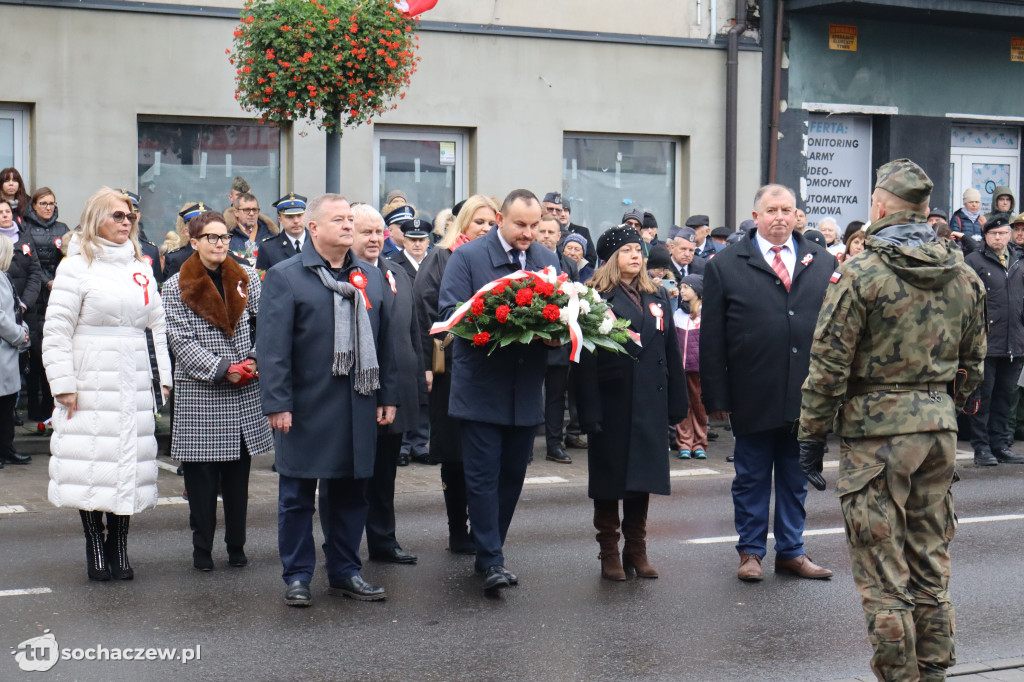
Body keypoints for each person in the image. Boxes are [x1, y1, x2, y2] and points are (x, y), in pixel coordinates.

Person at [797, 158, 987, 682]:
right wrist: (941, 404)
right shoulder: (965, 274)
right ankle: (933, 673)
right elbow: (973, 366)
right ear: (924, 212)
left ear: (879, 209)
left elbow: (829, 364)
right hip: (937, 432)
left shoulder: (861, 273)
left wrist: (811, 436)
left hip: (876, 436)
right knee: (930, 564)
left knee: (883, 574)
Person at [257, 193, 397, 607]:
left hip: (358, 404)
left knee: (351, 495)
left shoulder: (369, 276)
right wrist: (277, 403)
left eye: (350, 218)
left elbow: (386, 342)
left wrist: (388, 395)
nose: (348, 225)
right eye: (339, 219)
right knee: (297, 497)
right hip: (305, 407)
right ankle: (298, 576)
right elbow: (273, 348)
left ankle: (345, 570)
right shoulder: (285, 276)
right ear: (313, 228)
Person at [700, 183, 836, 583]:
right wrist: (716, 395)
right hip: (752, 393)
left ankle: (792, 550)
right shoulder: (725, 264)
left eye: (787, 210)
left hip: (806, 394)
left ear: (797, 215)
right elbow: (712, 338)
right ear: (756, 216)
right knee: (751, 478)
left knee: (796, 477)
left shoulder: (823, 261)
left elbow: (835, 330)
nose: (780, 217)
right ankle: (751, 552)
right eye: (772, 210)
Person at [42, 187, 172, 581]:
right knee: (91, 461)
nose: (126, 221)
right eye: (117, 215)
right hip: (90, 378)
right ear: (96, 218)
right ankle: (94, 541)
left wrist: (163, 378)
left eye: (130, 216)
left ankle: (118, 540)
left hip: (134, 379)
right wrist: (63, 383)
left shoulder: (140, 267)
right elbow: (56, 330)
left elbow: (157, 325)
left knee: (128, 461)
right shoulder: (75, 266)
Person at [437, 188, 560, 592]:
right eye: (520, 224)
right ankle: (490, 560)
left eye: (534, 225)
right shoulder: (468, 257)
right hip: (481, 389)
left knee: (512, 477)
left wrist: (556, 334)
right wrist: (502, 323)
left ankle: (490, 545)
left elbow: (563, 314)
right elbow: (449, 314)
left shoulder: (547, 259)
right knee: (482, 477)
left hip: (524, 390)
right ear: (501, 220)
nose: (528, 233)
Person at [162, 210, 272, 571]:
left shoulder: (246, 277)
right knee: (202, 483)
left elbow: (265, 324)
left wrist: (253, 359)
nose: (220, 243)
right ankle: (202, 548)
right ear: (194, 242)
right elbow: (181, 341)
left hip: (243, 391)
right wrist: (223, 369)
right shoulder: (175, 285)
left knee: (238, 481)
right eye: (212, 237)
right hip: (202, 394)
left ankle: (236, 545)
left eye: (224, 236)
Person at [576, 224, 686, 581]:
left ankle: (636, 549)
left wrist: (677, 401)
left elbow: (671, 350)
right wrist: (587, 411)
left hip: (650, 400)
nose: (636, 256)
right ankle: (609, 550)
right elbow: (584, 360)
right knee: (609, 481)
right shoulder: (594, 298)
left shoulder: (657, 296)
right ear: (611, 258)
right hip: (612, 402)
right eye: (627, 250)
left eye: (639, 250)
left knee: (643, 477)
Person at [412, 195, 497, 553]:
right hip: (449, 366)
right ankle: (457, 530)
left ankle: (483, 528)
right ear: (462, 223)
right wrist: (428, 365)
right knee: (455, 453)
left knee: (484, 453)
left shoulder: (497, 260)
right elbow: (424, 313)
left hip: (488, 368)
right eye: (479, 222)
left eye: (491, 223)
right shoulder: (441, 257)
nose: (486, 229)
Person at [350, 203, 422, 563]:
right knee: (353, 477)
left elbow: (412, 331)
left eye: (379, 232)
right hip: (358, 391)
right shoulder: (344, 275)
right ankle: (345, 547)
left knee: (385, 474)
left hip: (397, 389)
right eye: (366, 232)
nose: (374, 238)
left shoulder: (397, 273)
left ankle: (383, 541)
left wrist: (419, 378)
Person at [963, 213, 1024, 466]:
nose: (998, 238)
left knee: (1005, 398)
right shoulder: (973, 261)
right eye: (993, 234)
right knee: (982, 398)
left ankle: (1001, 445)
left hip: (1014, 342)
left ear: (1009, 235)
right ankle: (982, 447)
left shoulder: (1019, 261)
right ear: (985, 236)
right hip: (984, 342)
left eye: (1002, 233)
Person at [19, 188, 67, 430]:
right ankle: (33, 405)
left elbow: (69, 258)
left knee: (53, 348)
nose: (48, 207)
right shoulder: (25, 228)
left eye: (52, 203)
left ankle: (50, 405)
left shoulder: (62, 228)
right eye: (44, 203)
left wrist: (59, 280)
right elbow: (30, 263)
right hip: (34, 295)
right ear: (34, 205)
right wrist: (46, 281)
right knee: (34, 351)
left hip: (57, 295)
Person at [0, 236, 30, 470]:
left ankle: (6, 449)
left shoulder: (4, 276)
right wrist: (20, 334)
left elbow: (14, 310)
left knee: (7, 405)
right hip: (4, 349)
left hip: (7, 351)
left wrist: (23, 330)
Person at [674, 274, 706, 460]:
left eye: (686, 287)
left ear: (697, 290)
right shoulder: (677, 314)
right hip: (681, 368)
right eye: (681, 287)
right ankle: (684, 443)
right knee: (683, 405)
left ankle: (700, 442)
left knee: (699, 406)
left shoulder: (706, 314)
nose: (682, 291)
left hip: (698, 369)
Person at [255, 193, 308, 272]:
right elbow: (263, 278)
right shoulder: (268, 248)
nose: (296, 221)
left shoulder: (319, 242)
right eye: (289, 217)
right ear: (280, 220)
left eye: (299, 215)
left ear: (305, 216)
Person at [230, 192, 277, 263]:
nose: (251, 213)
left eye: (254, 210)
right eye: (246, 210)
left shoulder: (270, 234)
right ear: (236, 212)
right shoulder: (227, 236)